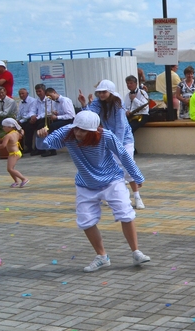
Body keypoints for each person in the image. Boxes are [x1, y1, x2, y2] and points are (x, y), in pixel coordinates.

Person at [36, 110, 151, 272]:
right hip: (86, 183)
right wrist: (41, 136)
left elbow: (123, 155)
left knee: (125, 213)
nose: (78, 133)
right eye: (76, 128)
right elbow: (45, 145)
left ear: (94, 130)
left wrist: (137, 176)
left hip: (112, 180)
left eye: (83, 130)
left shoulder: (105, 136)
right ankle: (102, 256)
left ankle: (136, 252)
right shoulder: (68, 132)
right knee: (86, 220)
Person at [78, 80, 145, 209]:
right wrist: (84, 104)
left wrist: (117, 146)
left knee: (127, 165)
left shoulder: (117, 102)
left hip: (124, 139)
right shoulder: (98, 102)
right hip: (108, 138)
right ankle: (117, 196)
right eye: (99, 92)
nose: (101, 94)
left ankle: (137, 196)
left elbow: (121, 125)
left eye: (104, 92)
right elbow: (89, 116)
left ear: (110, 92)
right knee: (111, 168)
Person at [41, 87, 74, 156]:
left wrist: (57, 117)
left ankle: (52, 149)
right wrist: (56, 113)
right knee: (44, 125)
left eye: (50, 96)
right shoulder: (55, 102)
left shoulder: (65, 100)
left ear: (54, 92)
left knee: (53, 126)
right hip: (64, 119)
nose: (50, 98)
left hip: (70, 120)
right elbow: (62, 112)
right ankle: (45, 147)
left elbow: (70, 115)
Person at [0, 118, 27, 187]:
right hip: (16, 152)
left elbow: (3, 145)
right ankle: (16, 181)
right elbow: (22, 132)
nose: (3, 128)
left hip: (14, 154)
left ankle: (24, 179)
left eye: (4, 126)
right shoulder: (16, 132)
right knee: (10, 169)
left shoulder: (8, 136)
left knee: (10, 169)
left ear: (10, 127)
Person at [29, 84, 53, 156]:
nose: (38, 93)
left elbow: (48, 112)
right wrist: (32, 116)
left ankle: (41, 148)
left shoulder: (49, 100)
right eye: (37, 91)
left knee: (41, 127)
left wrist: (37, 117)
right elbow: (32, 110)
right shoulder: (36, 101)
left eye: (40, 91)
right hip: (38, 118)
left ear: (44, 91)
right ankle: (30, 147)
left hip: (47, 118)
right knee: (28, 126)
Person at [15, 88, 38, 154]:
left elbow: (31, 113)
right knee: (16, 128)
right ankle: (20, 148)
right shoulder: (21, 102)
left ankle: (29, 146)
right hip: (23, 120)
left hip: (30, 119)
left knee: (27, 127)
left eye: (23, 93)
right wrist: (17, 120)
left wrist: (21, 121)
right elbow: (19, 113)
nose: (21, 95)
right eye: (20, 94)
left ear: (27, 94)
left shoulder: (32, 101)